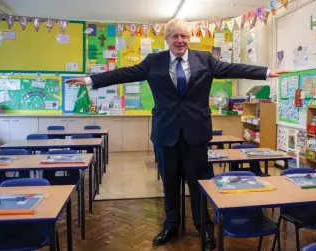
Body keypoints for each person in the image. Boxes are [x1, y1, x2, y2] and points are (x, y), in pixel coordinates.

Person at [65, 18, 289, 248]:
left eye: (184, 36)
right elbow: (124, 73)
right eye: (175, 36)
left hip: (197, 133)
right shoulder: (154, 61)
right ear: (167, 39)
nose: (180, 40)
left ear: (189, 39)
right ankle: (171, 225)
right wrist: (91, 80)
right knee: (170, 183)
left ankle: (204, 226)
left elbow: (234, 68)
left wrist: (266, 72)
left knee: (200, 182)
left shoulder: (204, 59)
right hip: (166, 133)